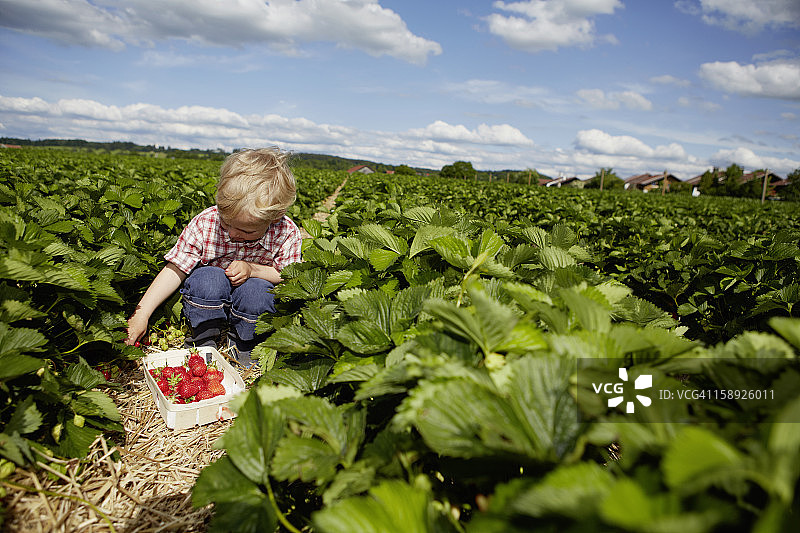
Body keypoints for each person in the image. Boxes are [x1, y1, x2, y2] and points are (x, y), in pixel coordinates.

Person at [125, 147, 302, 366]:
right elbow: (176, 268)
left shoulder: (285, 231)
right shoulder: (206, 222)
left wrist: (252, 269)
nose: (232, 233)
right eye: (226, 223)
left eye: (247, 231)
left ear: (275, 217)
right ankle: (203, 337)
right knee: (207, 278)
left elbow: (289, 276)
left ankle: (245, 343)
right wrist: (141, 313)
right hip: (210, 297)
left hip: (251, 303)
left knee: (258, 290)